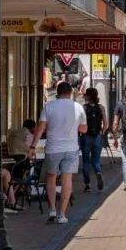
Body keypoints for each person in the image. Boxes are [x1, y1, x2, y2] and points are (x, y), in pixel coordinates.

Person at [28, 82, 87, 224]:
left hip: (53, 148)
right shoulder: (78, 107)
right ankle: (62, 214)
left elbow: (40, 128)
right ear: (70, 93)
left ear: (57, 93)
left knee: (51, 177)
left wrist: (32, 147)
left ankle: (52, 210)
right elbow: (84, 129)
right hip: (71, 148)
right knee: (67, 179)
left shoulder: (49, 107)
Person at [81, 88, 108, 193]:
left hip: (86, 136)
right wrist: (102, 133)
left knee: (86, 161)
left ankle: (87, 185)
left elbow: (80, 123)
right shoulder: (101, 108)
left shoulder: (83, 108)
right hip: (97, 136)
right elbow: (105, 124)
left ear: (88, 96)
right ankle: (98, 172)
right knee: (96, 161)